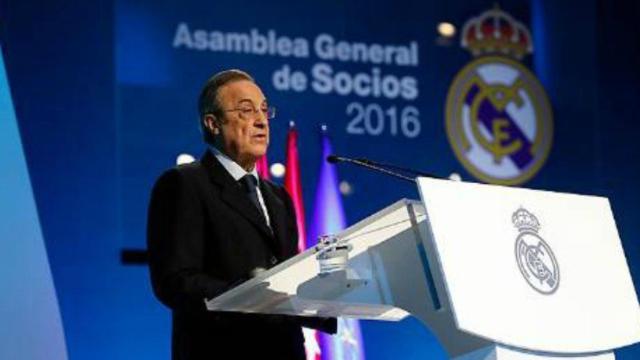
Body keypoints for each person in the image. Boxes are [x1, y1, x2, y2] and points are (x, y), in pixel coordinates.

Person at [147, 69, 335, 359]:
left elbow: (287, 280)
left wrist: (328, 294)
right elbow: (175, 281)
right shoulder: (184, 184)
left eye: (263, 110)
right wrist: (254, 295)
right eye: (246, 111)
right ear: (213, 124)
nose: (261, 121)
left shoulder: (279, 198)